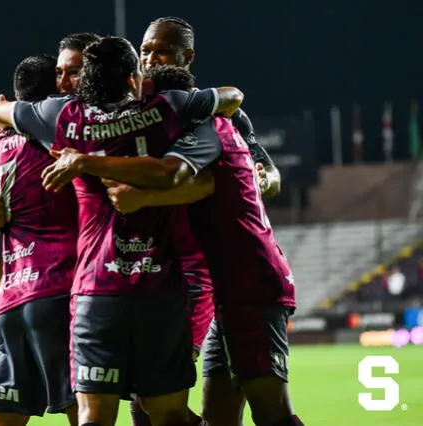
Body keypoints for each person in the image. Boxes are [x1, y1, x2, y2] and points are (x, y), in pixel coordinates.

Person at [0, 36, 243, 426]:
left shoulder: (63, 117)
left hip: (96, 291)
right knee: (169, 413)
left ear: (86, 77)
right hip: (162, 288)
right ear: (132, 78)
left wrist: (81, 160)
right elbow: (228, 100)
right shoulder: (168, 108)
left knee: (94, 416)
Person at [44, 64, 302, 426]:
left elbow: (198, 182)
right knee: (213, 414)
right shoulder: (207, 124)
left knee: (270, 412)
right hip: (223, 287)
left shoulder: (209, 128)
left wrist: (137, 196)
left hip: (248, 282)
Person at [0, 55, 79, 426]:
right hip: (56, 287)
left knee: (4, 417)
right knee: (86, 411)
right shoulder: (60, 128)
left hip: (10, 299)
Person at [140, 16, 281, 199]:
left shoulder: (225, 113)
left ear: (188, 56)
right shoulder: (130, 109)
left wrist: (265, 180)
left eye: (162, 51)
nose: (150, 60)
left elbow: (271, 174)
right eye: (145, 51)